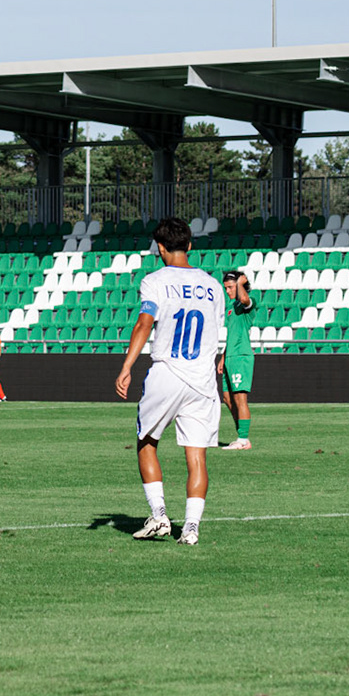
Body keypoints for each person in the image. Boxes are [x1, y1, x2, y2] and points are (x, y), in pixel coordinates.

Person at [114, 217, 224, 546]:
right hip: (202, 379)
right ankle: (191, 528)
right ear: (189, 245)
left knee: (146, 441)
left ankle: (160, 515)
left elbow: (145, 323)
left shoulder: (155, 281)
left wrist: (126, 366)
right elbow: (218, 335)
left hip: (167, 371)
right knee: (197, 455)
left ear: (160, 248)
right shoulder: (214, 286)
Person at [216, 269, 256, 448]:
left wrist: (240, 284)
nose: (228, 291)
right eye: (226, 288)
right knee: (227, 398)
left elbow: (245, 300)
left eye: (231, 287)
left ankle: (243, 439)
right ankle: (241, 436)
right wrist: (223, 356)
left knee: (240, 398)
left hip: (241, 356)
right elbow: (232, 334)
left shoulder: (247, 302)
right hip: (230, 356)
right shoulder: (231, 308)